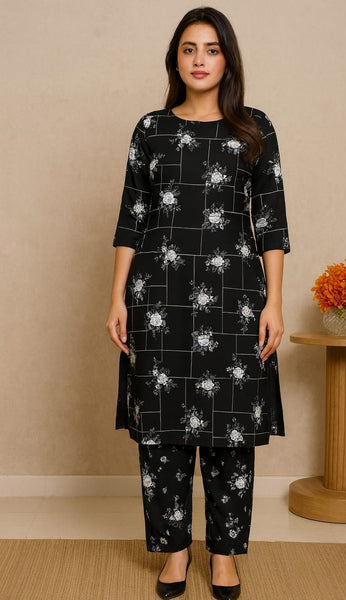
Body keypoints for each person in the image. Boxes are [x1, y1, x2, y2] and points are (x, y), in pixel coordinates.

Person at [106, 6, 290, 599]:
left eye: (211, 49)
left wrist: (274, 303)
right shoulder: (151, 129)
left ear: (227, 60)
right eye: (189, 49)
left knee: (229, 431)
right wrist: (117, 298)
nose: (200, 60)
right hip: (158, 298)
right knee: (163, 433)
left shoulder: (255, 129)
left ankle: (225, 557)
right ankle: (175, 551)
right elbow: (132, 217)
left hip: (235, 301)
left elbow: (271, 223)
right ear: (176, 59)